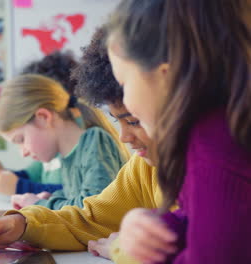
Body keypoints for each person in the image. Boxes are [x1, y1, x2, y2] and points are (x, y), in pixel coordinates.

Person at [0, 26, 165, 264]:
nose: (124, 137)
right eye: (120, 121)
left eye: (134, 121)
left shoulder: (204, 162)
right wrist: (22, 224)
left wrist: (124, 250)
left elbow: (200, 247)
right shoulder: (143, 167)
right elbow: (91, 217)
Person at [104, 0, 251, 263]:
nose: (125, 101)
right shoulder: (216, 130)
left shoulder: (215, 143)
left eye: (124, 82)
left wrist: (129, 255)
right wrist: (163, 225)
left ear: (165, 76)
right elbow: (216, 219)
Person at [0, 74, 126, 210]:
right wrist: (52, 198)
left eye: (21, 140)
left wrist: (40, 205)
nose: (23, 153)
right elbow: (77, 202)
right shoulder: (66, 157)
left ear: (43, 117)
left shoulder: (94, 141)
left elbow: (94, 209)